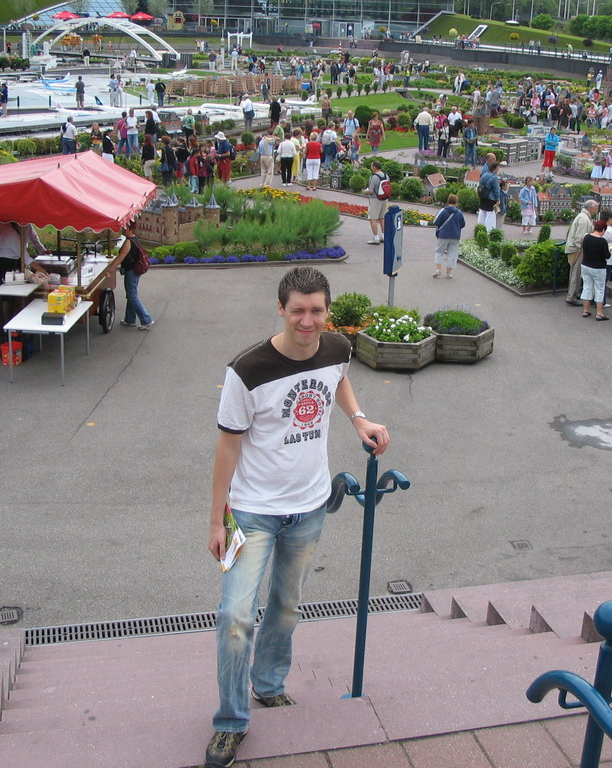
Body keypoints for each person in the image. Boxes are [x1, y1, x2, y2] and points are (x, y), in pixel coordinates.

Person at [204, 266, 389, 768]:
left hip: (309, 508)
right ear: (281, 310)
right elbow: (226, 446)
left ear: (327, 310)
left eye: (317, 310)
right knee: (235, 617)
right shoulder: (247, 370)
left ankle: (268, 685)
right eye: (298, 311)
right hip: (251, 512)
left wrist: (358, 418)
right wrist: (217, 519)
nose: (308, 321)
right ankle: (230, 721)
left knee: (287, 607)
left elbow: (340, 382)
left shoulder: (337, 348)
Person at [0, 222, 51, 291]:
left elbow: (34, 237)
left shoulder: (24, 224)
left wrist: (43, 250)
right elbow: (28, 259)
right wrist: (46, 274)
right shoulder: (12, 237)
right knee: (4, 288)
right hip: (6, 262)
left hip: (9, 257)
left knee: (9, 287)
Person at [117, 222, 154, 330]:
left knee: (132, 296)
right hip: (135, 271)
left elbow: (120, 257)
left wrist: (110, 269)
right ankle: (130, 319)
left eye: (125, 227)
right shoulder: (135, 240)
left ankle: (146, 320)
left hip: (130, 271)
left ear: (131, 229)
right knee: (131, 295)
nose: (123, 229)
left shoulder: (128, 242)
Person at [564, 199, 599, 306]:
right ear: (591, 207)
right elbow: (580, 238)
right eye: (596, 207)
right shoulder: (584, 219)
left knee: (575, 273)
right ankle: (572, 297)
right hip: (577, 250)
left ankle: (573, 294)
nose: (597, 209)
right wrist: (584, 249)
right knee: (576, 273)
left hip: (574, 248)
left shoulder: (582, 216)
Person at [580, 219, 612, 321]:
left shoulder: (586, 237)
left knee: (587, 287)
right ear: (603, 229)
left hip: (585, 265)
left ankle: (585, 310)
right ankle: (599, 313)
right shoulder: (602, 241)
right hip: (598, 267)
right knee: (599, 289)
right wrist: (609, 250)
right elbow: (607, 256)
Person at [432, 193, 466, 278]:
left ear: (448, 201)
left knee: (439, 252)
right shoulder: (459, 213)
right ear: (456, 203)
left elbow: (435, 222)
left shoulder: (443, 211)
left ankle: (438, 270)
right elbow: (463, 224)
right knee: (452, 254)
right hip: (455, 236)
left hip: (443, 235)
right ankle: (448, 273)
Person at [366, 160, 390, 244]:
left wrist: (364, 191)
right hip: (384, 199)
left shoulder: (373, 177)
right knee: (382, 218)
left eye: (372, 166)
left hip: (375, 199)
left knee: (373, 218)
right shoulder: (386, 176)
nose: (371, 167)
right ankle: (383, 235)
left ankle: (375, 238)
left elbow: (371, 191)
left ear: (374, 167)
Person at [476, 159, 500, 232]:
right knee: (490, 216)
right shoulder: (494, 178)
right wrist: (498, 199)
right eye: (498, 168)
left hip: (483, 197)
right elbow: (496, 190)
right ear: (494, 169)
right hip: (491, 199)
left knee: (482, 214)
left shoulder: (483, 175)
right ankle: (489, 232)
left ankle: (479, 230)